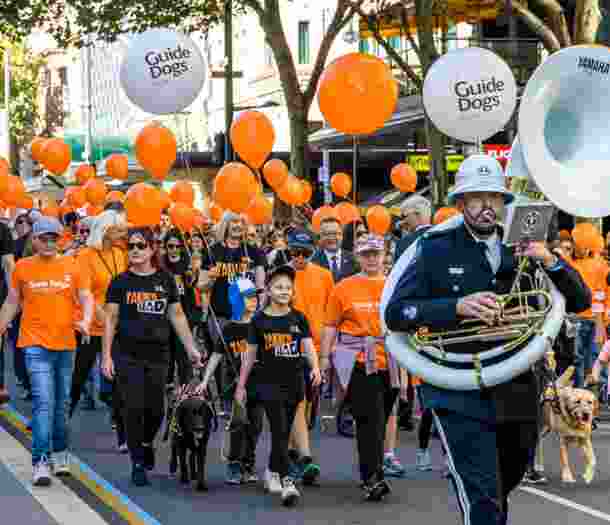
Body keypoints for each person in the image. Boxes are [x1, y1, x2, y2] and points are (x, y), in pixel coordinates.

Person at [384, 154, 591, 525]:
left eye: (493, 197)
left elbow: (581, 301)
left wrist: (551, 262)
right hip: (458, 391)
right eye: (476, 198)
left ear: (504, 202)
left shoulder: (525, 246)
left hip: (518, 387)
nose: (486, 206)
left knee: (501, 486)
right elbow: (397, 314)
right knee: (481, 496)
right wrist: (457, 306)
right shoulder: (434, 248)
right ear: (461, 204)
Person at [101, 227, 203, 487]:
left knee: (156, 409)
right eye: (131, 246)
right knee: (133, 407)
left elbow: (177, 316)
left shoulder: (165, 280)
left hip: (158, 354)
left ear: (151, 249)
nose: (135, 250)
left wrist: (191, 348)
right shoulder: (120, 282)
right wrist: (106, 357)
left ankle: (147, 443)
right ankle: (137, 461)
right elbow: (110, 320)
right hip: (127, 354)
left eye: (140, 246)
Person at [0, 216, 93, 486]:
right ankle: (40, 459)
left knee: (62, 404)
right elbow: (12, 301)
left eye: (54, 238)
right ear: (35, 240)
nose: (50, 243)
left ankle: (61, 452)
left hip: (65, 345)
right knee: (43, 402)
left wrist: (86, 320)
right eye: (44, 238)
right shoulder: (23, 268)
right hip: (34, 343)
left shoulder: (73, 266)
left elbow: (86, 296)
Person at [320, 234, 399, 501]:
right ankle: (373, 477)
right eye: (366, 254)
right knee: (370, 419)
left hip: (390, 359)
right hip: (356, 360)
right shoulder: (343, 287)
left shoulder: (394, 284)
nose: (372, 259)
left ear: (384, 255)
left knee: (383, 415)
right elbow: (330, 325)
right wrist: (324, 359)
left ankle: (373, 469)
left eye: (376, 254)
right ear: (358, 257)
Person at [235, 265, 321, 507]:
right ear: (269, 291)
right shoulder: (259, 321)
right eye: (278, 287)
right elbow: (249, 356)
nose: (284, 291)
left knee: (282, 434)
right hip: (268, 383)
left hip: (294, 383)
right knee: (280, 430)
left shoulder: (298, 318)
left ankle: (272, 470)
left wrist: (314, 367)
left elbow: (308, 347)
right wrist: (241, 386)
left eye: (288, 288)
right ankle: (288, 481)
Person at [69, 211, 128, 449]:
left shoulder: (119, 255)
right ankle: (60, 425)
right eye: (118, 230)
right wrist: (106, 320)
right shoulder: (85, 256)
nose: (122, 234)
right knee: (78, 377)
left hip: (115, 327)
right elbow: (85, 294)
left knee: (120, 382)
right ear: (105, 230)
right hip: (90, 327)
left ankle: (124, 436)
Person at [197, 278, 263, 485]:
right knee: (238, 424)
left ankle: (248, 463)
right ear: (236, 300)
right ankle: (234, 464)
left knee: (256, 426)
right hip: (236, 386)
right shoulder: (229, 330)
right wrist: (204, 381)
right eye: (248, 297)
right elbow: (216, 357)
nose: (253, 301)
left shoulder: (261, 325)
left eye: (255, 297)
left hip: (259, 385)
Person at [285, 229, 333, 484]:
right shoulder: (282, 275)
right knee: (296, 402)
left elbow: (331, 315)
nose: (300, 257)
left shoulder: (325, 276)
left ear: (313, 252)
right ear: (288, 250)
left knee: (310, 406)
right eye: (295, 252)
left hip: (316, 349)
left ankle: (295, 453)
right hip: (288, 347)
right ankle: (299, 457)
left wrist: (326, 353)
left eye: (305, 253)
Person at [310, 216, 358, 282]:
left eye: (335, 233)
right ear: (320, 237)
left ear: (342, 235)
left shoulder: (355, 260)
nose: (331, 237)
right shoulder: (312, 262)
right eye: (326, 234)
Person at [394, 195, 432, 259]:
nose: (404, 221)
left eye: (405, 216)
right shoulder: (446, 235)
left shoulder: (403, 244)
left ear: (417, 214)